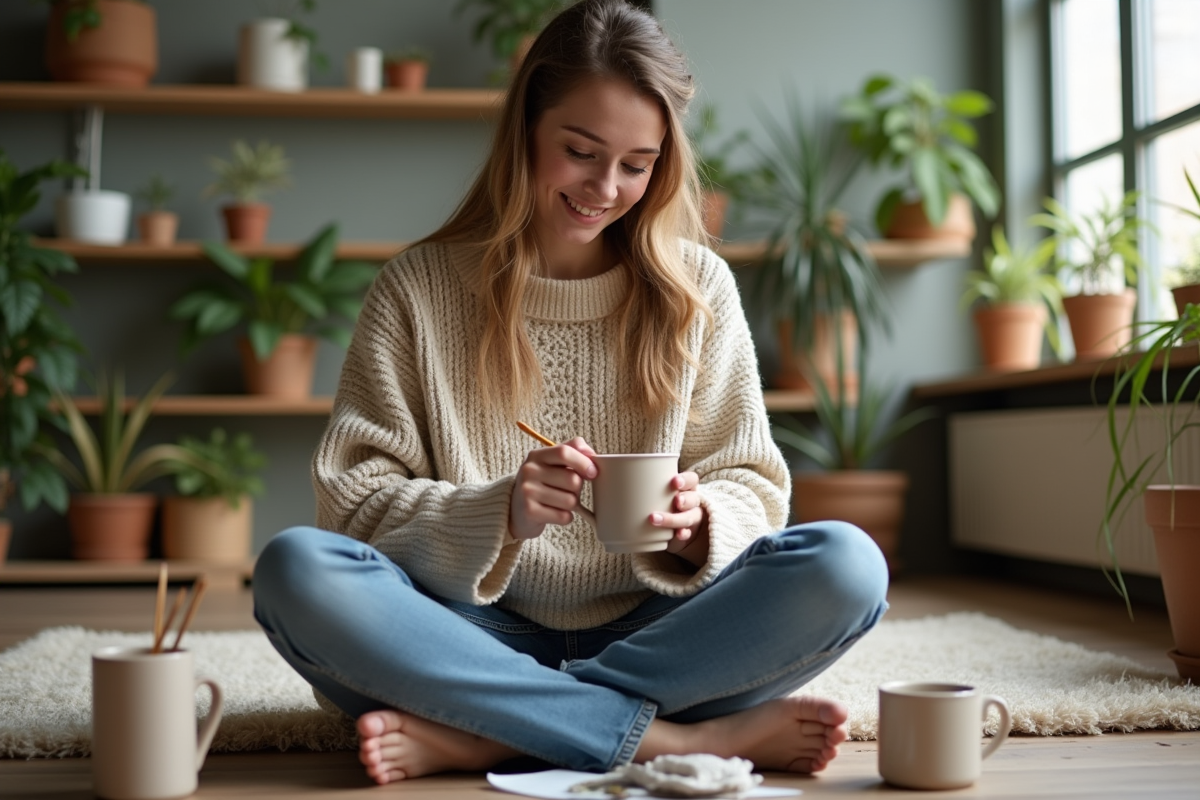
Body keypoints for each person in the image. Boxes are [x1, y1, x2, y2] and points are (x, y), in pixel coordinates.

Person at [252, 0, 889, 785]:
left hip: (665, 632)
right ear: (526, 131)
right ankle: (670, 741)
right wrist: (500, 513)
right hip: (467, 634)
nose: (607, 188)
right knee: (296, 572)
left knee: (847, 566)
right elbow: (353, 505)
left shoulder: (699, 289)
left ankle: (490, 734)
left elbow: (753, 484)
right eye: (581, 152)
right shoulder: (416, 290)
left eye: (637, 163)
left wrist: (698, 527)